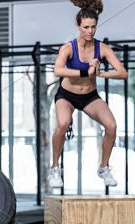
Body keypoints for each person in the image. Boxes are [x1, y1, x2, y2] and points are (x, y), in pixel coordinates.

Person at [47, 0, 128, 188]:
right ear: (78, 26)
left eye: (93, 27)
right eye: (86, 27)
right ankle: (54, 168)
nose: (90, 31)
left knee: (112, 126)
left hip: (89, 97)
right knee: (63, 123)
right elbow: (58, 70)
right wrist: (86, 72)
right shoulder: (68, 48)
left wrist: (100, 73)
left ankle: (104, 167)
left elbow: (123, 73)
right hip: (67, 95)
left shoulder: (102, 48)